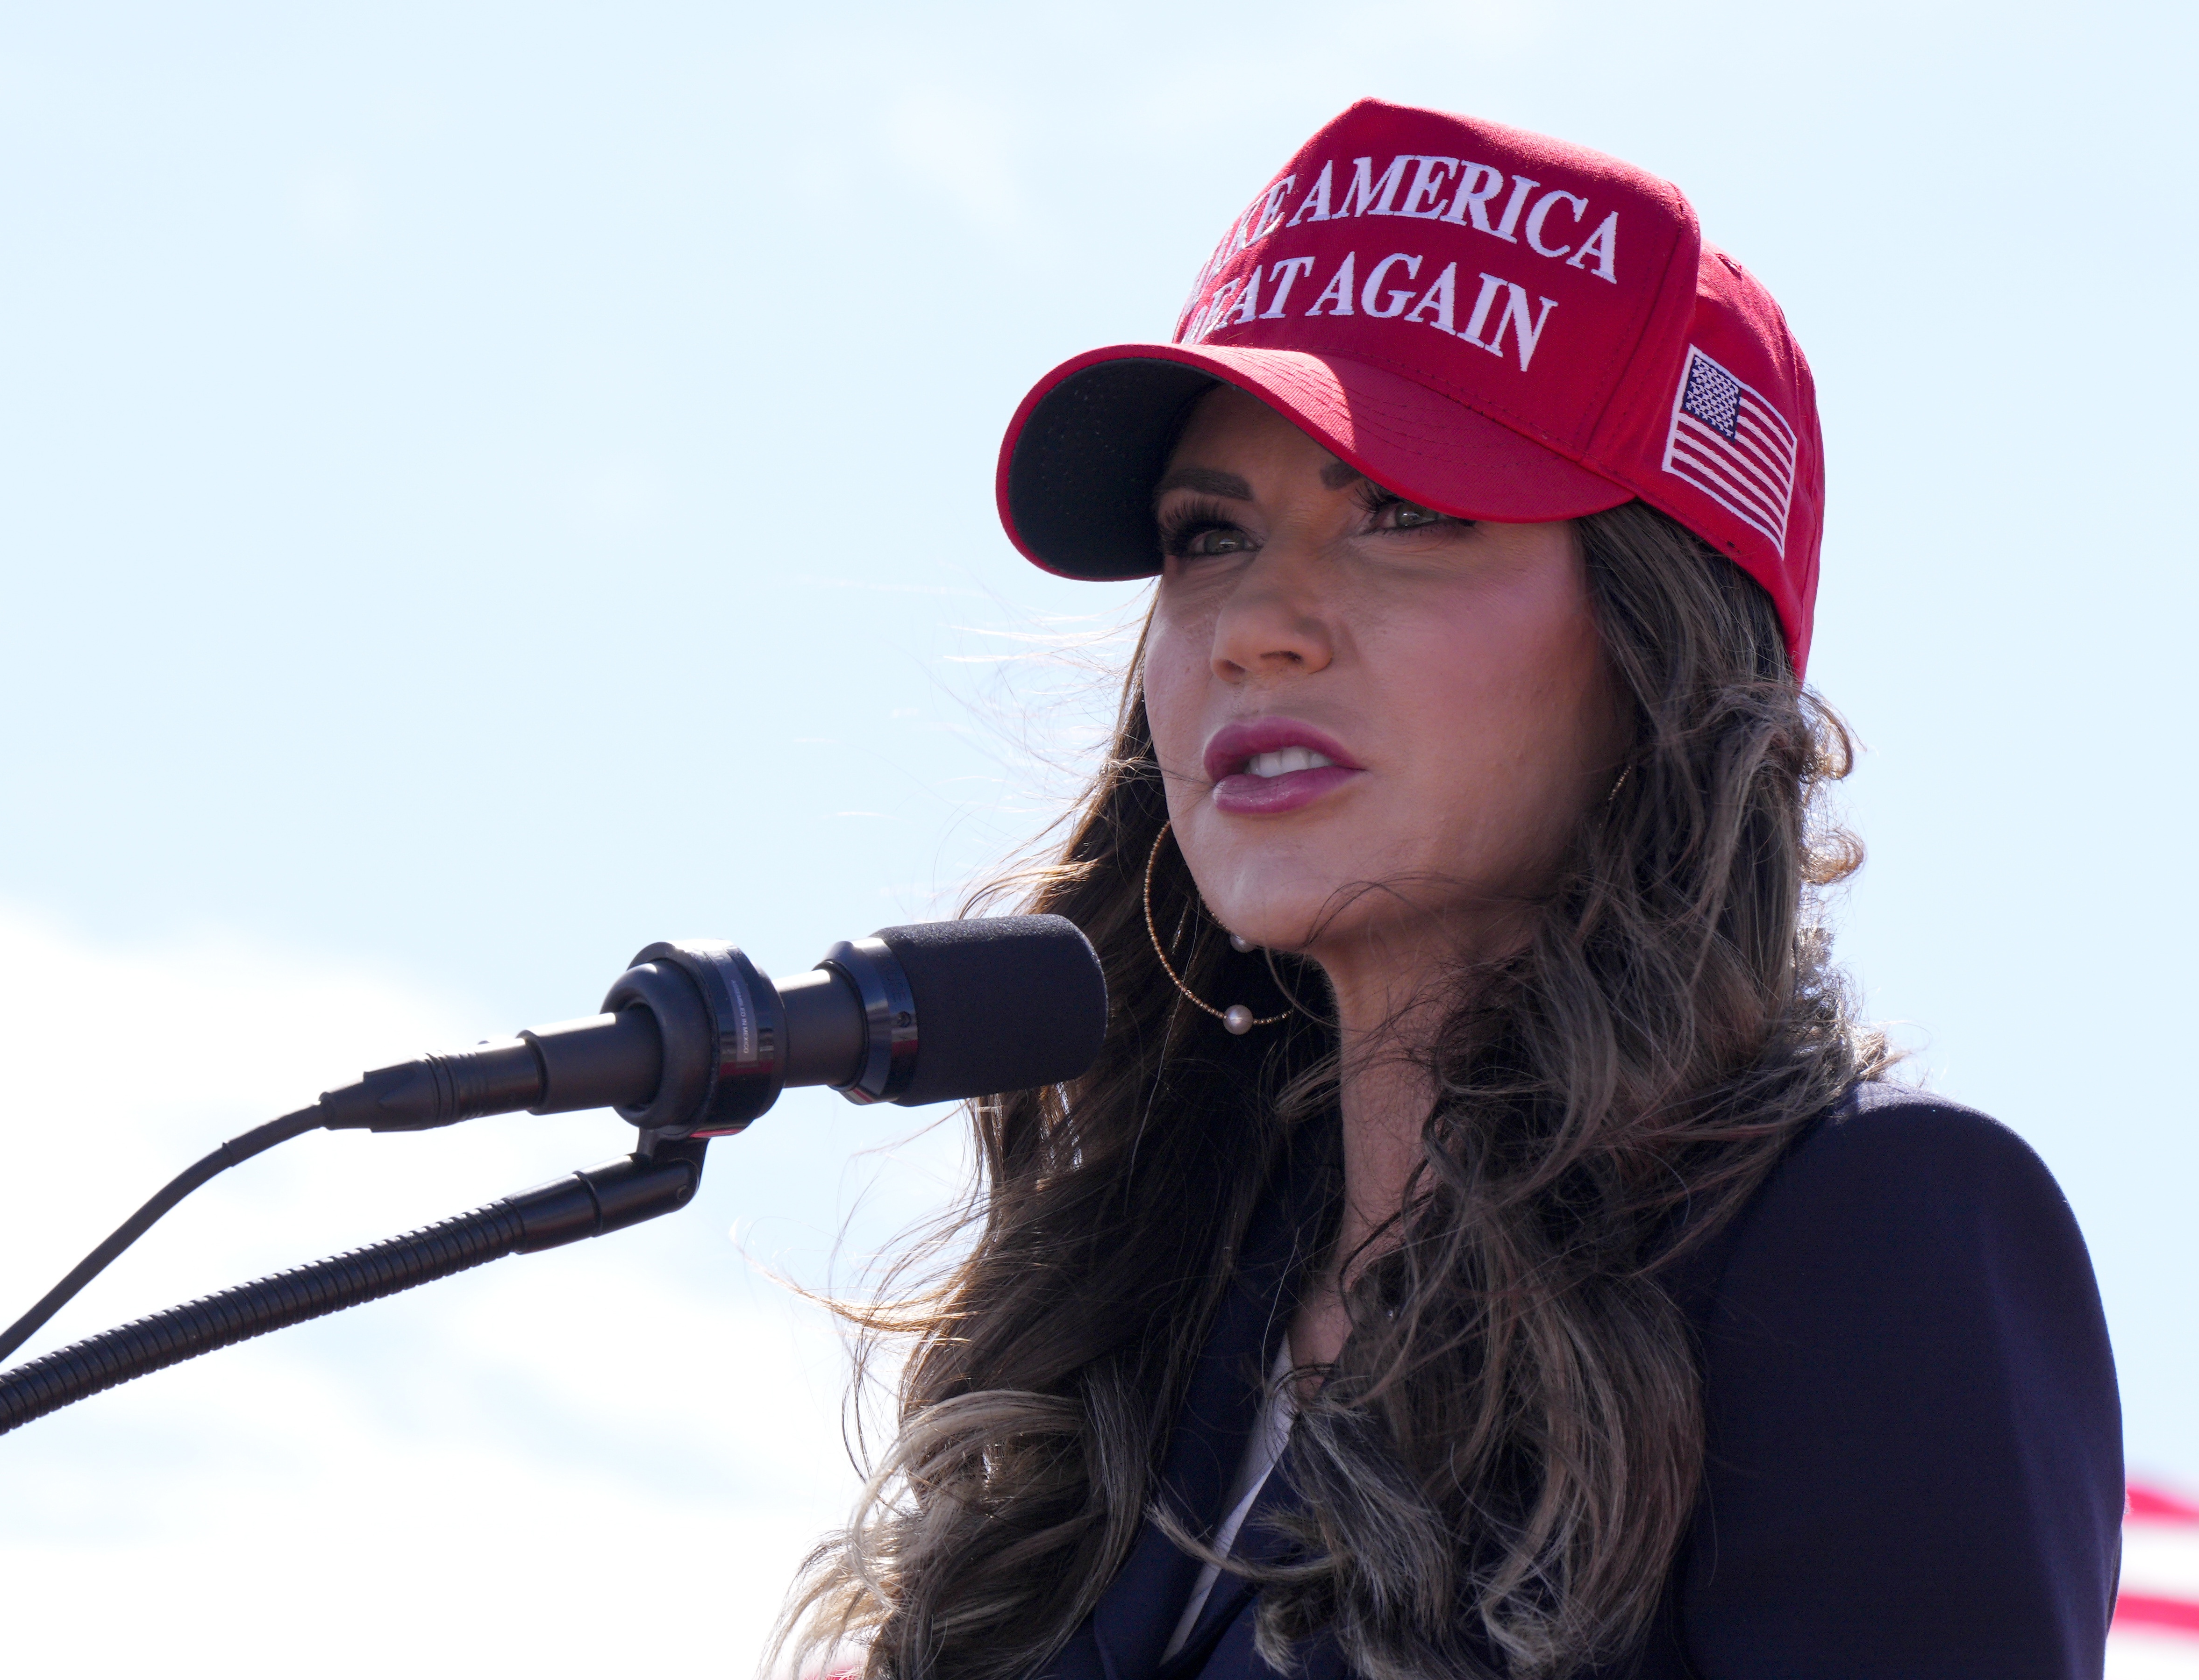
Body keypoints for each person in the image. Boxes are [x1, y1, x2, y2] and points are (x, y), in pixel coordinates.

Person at [775, 99, 2122, 1680]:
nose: (1254, 626)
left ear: (1659, 648)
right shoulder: (1137, 1306)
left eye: (1405, 513)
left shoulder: (1870, 1240)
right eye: (1206, 535)